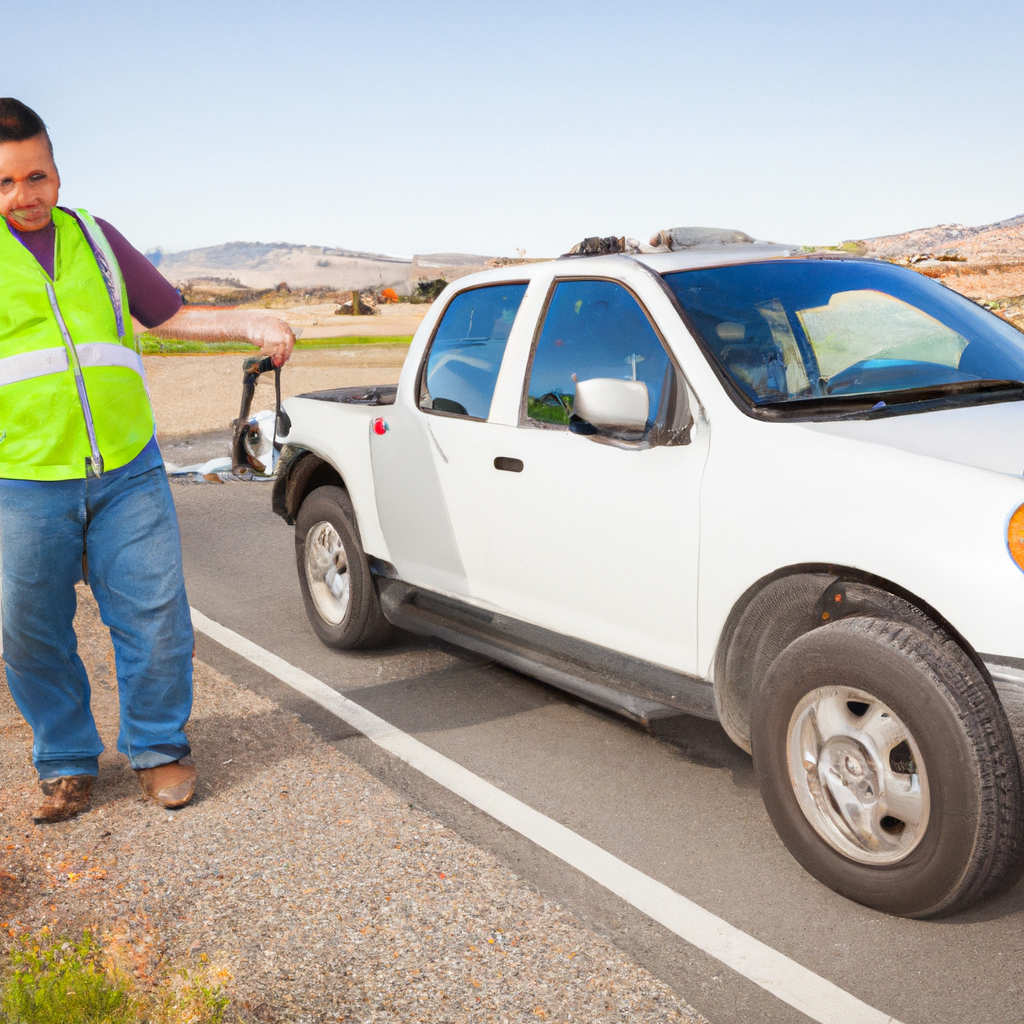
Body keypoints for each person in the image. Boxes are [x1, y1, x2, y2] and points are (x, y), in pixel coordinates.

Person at [0, 97, 295, 823]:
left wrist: (250, 320)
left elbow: (169, 315)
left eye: (36, 177)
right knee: (29, 628)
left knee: (155, 617)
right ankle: (66, 762)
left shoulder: (97, 241)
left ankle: (159, 749)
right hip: (22, 478)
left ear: (58, 176)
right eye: (4, 182)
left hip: (127, 469)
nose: (23, 196)